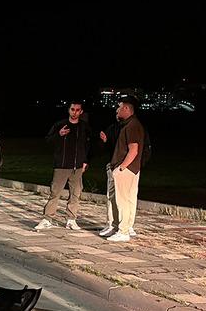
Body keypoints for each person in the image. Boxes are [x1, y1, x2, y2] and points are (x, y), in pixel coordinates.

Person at [34, 101, 92, 231]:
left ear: (81, 112)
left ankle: (71, 220)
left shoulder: (84, 127)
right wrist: (58, 135)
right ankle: (47, 219)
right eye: (72, 109)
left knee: (75, 193)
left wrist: (85, 161)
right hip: (61, 165)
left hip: (77, 167)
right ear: (69, 110)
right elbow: (48, 141)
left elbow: (88, 146)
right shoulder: (60, 125)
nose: (75, 112)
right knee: (55, 193)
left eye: (77, 110)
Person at [99, 96, 144, 242]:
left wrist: (121, 168)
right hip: (129, 168)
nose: (116, 110)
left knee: (122, 200)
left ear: (126, 108)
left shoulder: (132, 126)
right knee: (128, 199)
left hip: (126, 169)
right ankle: (124, 228)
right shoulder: (130, 125)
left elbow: (134, 150)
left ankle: (123, 230)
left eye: (119, 107)